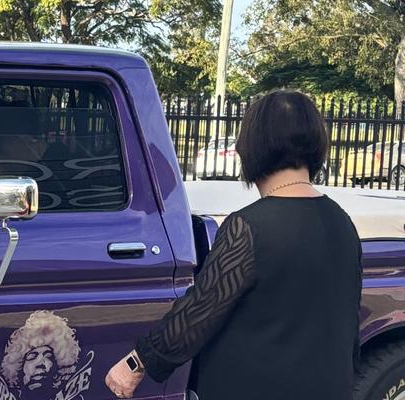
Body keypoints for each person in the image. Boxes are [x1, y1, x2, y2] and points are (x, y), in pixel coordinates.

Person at [105, 89, 362, 400]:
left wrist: (137, 362)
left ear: (254, 145)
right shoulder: (342, 222)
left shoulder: (249, 227)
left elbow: (199, 312)